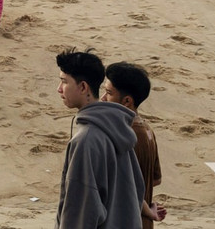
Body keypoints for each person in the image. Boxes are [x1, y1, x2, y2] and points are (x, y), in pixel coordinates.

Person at [54, 49, 146, 229]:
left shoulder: (86, 139)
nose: (59, 88)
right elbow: (137, 188)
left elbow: (81, 210)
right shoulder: (118, 127)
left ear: (83, 87)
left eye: (64, 81)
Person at [103, 62, 167, 229]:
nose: (103, 98)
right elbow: (155, 179)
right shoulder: (147, 130)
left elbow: (124, 188)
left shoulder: (124, 136)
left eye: (109, 93)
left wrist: (145, 209)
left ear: (127, 101)